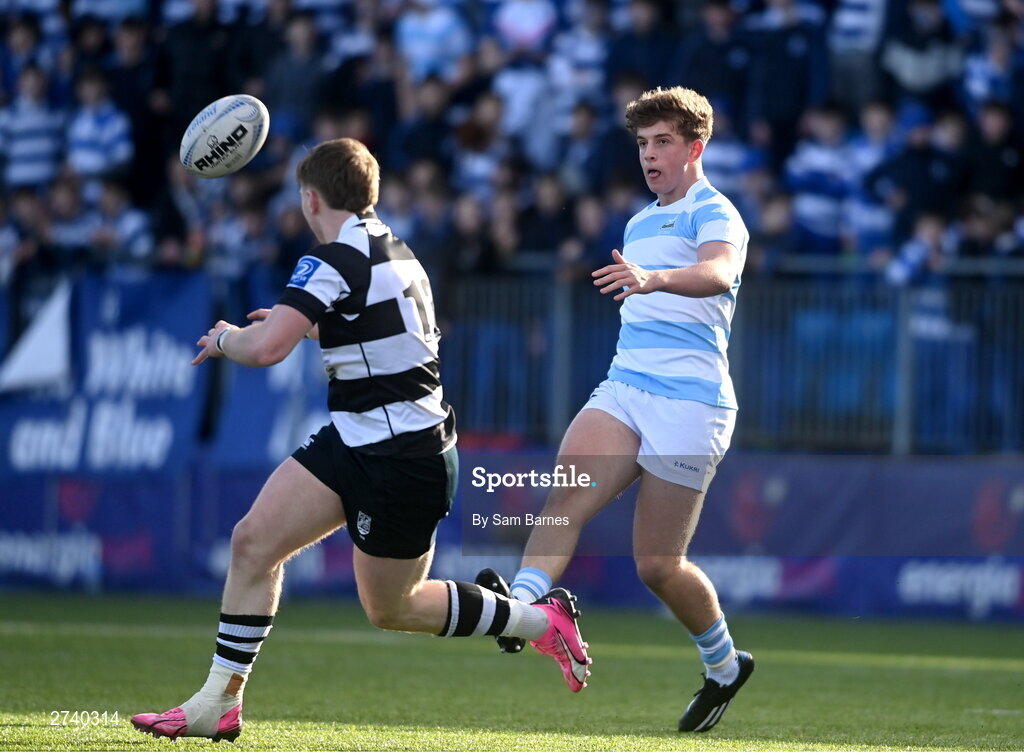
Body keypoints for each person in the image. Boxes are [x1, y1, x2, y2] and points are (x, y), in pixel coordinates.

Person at [130, 138, 592, 743]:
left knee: (392, 608)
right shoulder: (396, 251)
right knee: (252, 543)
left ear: (310, 197)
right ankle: (217, 702)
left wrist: (223, 341)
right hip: (360, 439)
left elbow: (263, 350)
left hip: (404, 459)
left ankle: (538, 621)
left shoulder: (332, 259)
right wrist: (308, 327)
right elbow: (376, 331)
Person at [477, 87, 753, 734]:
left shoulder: (716, 212)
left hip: (691, 403)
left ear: (695, 148)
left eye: (662, 142)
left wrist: (654, 279)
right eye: (642, 144)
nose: (650, 155)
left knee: (657, 564)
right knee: (563, 497)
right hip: (626, 386)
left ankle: (723, 664)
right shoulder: (637, 222)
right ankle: (522, 610)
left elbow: (717, 272)